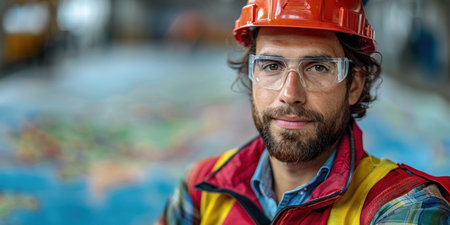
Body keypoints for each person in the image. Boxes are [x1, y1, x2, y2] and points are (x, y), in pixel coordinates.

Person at [158, 0, 450, 224]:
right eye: (272, 66)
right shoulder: (200, 189)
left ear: (354, 85)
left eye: (318, 67)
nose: (290, 94)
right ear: (252, 76)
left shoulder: (403, 205)